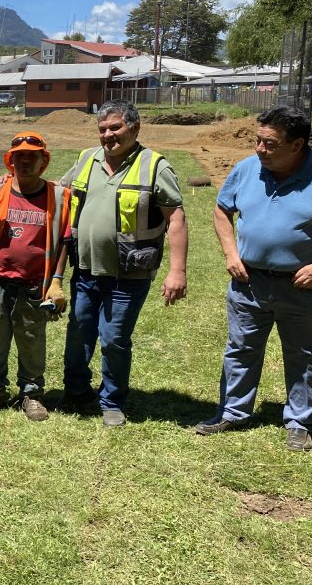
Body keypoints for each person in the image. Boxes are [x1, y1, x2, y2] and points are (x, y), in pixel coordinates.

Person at [194, 106, 312, 451]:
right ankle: (233, 412)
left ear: (297, 145)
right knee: (240, 349)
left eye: (269, 143)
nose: (259, 149)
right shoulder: (246, 169)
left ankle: (300, 422)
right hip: (249, 283)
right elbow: (223, 210)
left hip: (305, 287)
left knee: (307, 355)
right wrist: (231, 254)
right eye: (257, 140)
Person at [60, 100, 188, 427]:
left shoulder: (155, 166)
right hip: (86, 270)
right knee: (78, 334)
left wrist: (177, 271)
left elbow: (176, 218)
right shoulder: (87, 158)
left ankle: (112, 400)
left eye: (115, 127)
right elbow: (59, 192)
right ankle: (75, 390)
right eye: (102, 129)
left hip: (128, 275)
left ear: (134, 127)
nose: (108, 135)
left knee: (114, 338)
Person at [0, 132, 71, 422]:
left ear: (43, 161)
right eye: (18, 156)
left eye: (31, 156)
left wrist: (57, 281)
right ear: (10, 161)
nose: (25, 161)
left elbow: (64, 241)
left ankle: (32, 394)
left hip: (35, 285)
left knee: (32, 340)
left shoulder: (58, 195)